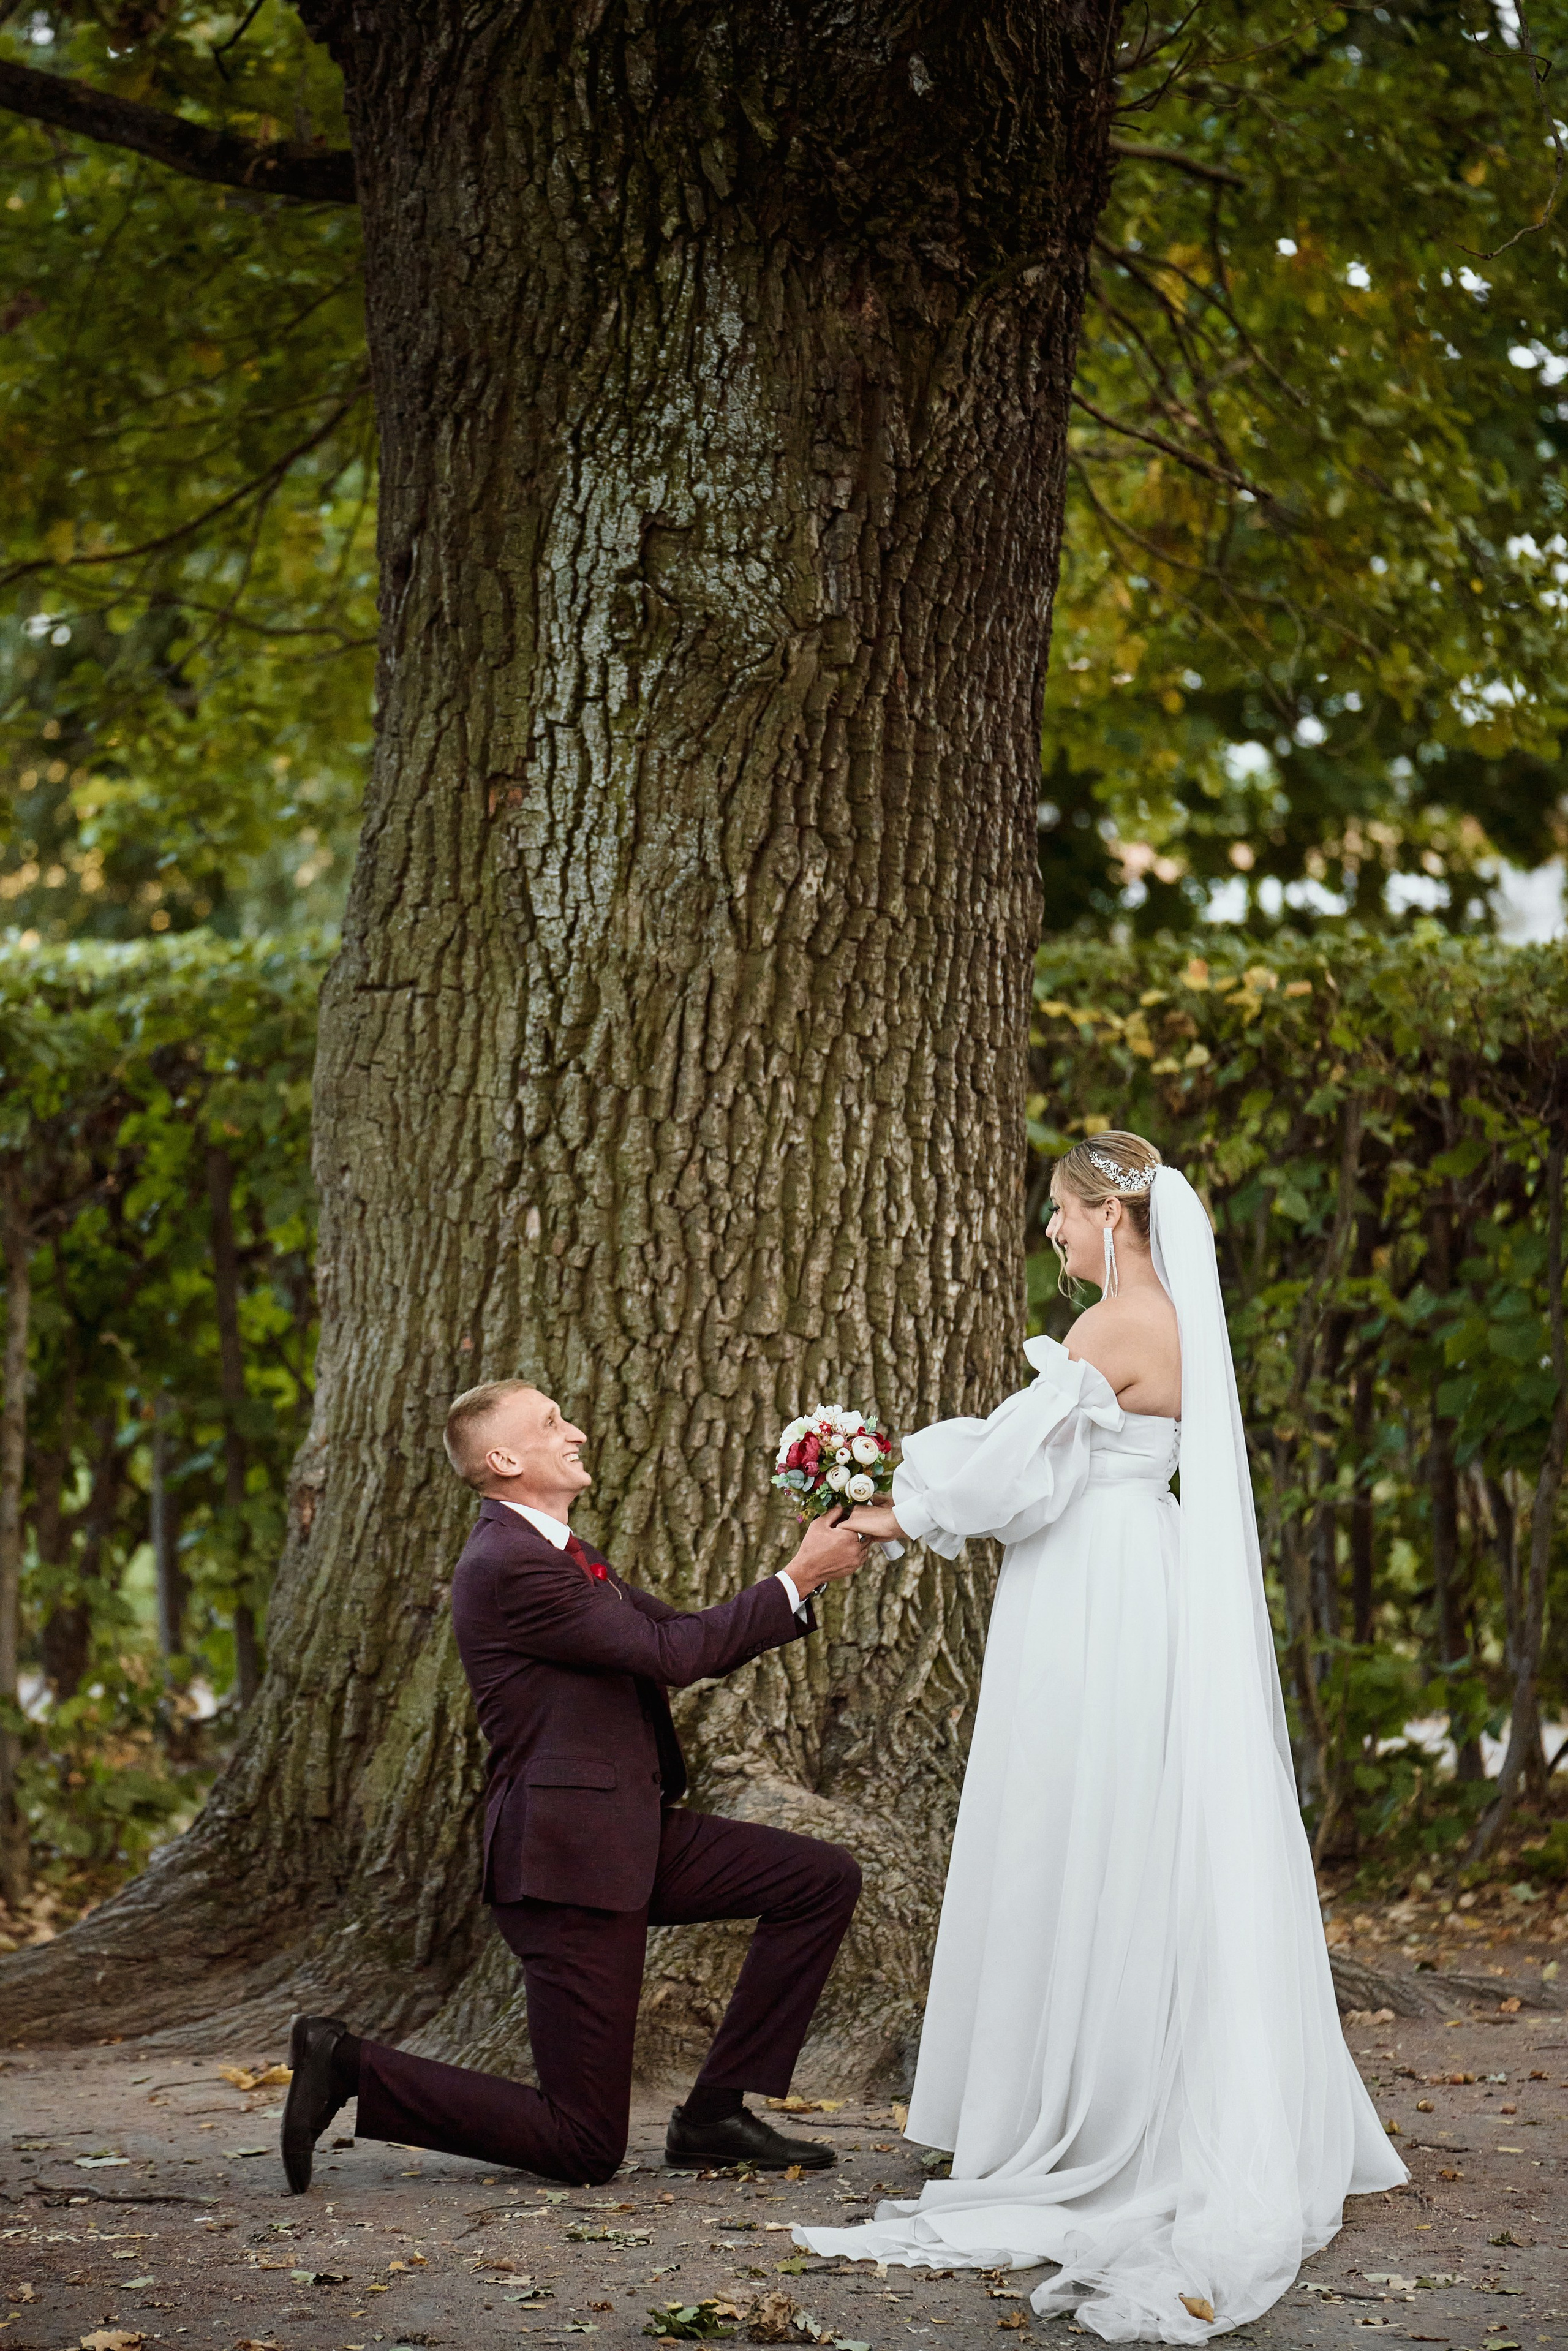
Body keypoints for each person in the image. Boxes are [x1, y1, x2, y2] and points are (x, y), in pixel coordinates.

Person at [801, 1134, 1406, 2342]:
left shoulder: (1115, 1324)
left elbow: (1012, 1476)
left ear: (1113, 1216)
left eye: (1063, 1212)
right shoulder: (1170, 1321)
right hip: (1134, 1571)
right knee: (1133, 1823)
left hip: (1097, 1587)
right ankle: (1127, 2071)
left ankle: (1097, 2108)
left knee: (1078, 1816)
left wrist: (885, 1508)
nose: (1054, 1232)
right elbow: (1026, 1458)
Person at [281, 1378, 869, 2193]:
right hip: (566, 1868)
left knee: (818, 1878)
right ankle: (345, 2063)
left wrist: (813, 1571)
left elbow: (681, 1636)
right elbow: (674, 1656)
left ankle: (713, 2115)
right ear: (504, 1458)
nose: (578, 1432)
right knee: (584, 2145)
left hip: (623, 1836)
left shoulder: (557, 1554)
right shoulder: (510, 1564)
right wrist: (797, 1575)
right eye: (553, 1422)